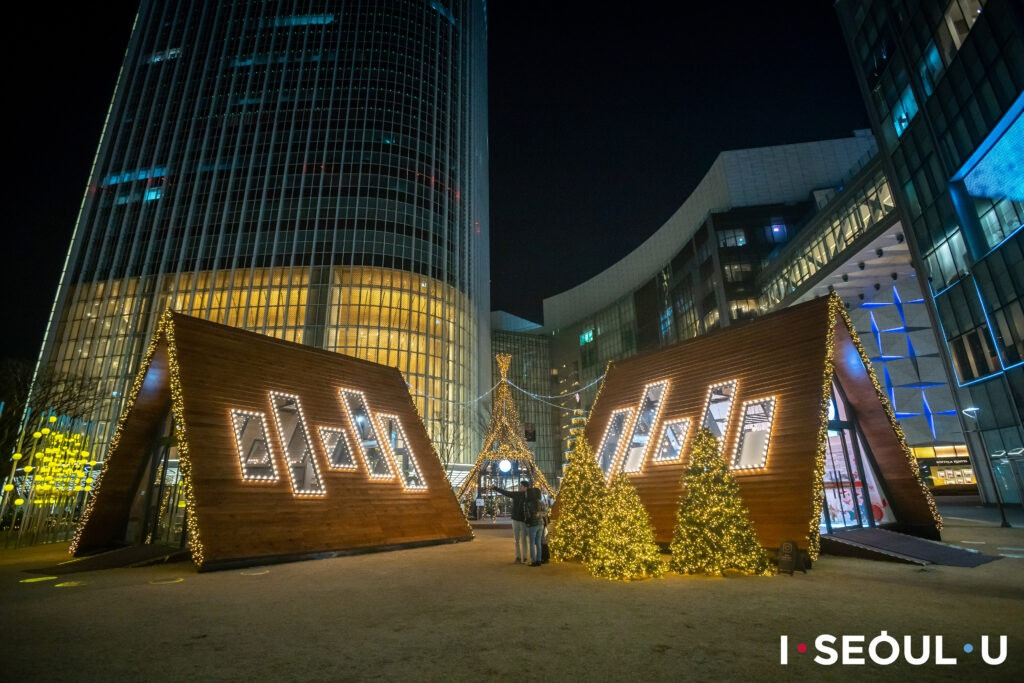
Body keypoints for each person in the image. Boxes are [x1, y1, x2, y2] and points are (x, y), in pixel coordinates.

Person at [491, 478, 530, 564]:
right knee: (519, 540)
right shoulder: (518, 494)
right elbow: (506, 493)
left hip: (521, 520)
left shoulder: (528, 496)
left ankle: (522, 557)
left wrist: (496, 488)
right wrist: (496, 488)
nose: (520, 487)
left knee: (521, 540)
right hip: (518, 520)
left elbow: (506, 493)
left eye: (521, 486)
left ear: (525, 487)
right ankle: (520, 557)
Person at [524, 486, 548, 567]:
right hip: (540, 524)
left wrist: (527, 523)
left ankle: (533, 561)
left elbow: (527, 515)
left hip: (532, 525)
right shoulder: (540, 501)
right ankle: (539, 560)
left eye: (526, 493)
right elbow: (545, 512)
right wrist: (539, 514)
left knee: (531, 543)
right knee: (538, 543)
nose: (525, 494)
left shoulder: (527, 503)